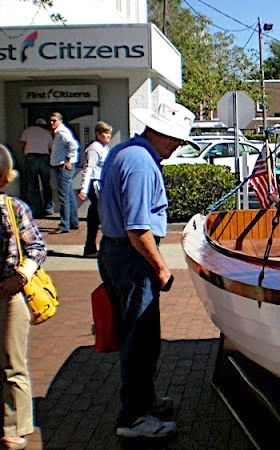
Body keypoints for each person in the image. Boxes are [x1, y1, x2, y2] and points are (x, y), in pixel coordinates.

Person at [98, 101, 194, 439]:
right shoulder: (140, 163)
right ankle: (134, 417)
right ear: (164, 134)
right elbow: (138, 228)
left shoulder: (124, 152)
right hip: (132, 257)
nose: (176, 147)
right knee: (139, 338)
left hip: (117, 253)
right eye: (176, 141)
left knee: (138, 336)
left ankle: (144, 402)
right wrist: (161, 268)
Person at [0, 144, 46, 450]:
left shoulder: (14, 208)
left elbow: (36, 248)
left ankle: (13, 427)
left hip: (8, 295)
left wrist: (19, 279)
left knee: (11, 363)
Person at [78, 121, 112, 257]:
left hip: (102, 183)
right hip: (95, 184)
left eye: (109, 133)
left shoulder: (104, 148)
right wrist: (83, 189)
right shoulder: (94, 148)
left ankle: (91, 247)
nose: (108, 136)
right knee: (99, 214)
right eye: (105, 133)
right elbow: (89, 168)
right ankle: (91, 247)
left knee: (96, 214)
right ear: (98, 134)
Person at [48, 112, 80, 234]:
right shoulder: (58, 132)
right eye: (50, 121)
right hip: (59, 165)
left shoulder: (62, 132)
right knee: (69, 194)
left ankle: (64, 224)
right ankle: (73, 221)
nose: (52, 123)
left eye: (54, 120)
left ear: (60, 121)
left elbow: (73, 145)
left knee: (63, 196)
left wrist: (68, 159)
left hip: (63, 166)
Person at [19, 118, 54, 219]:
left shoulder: (27, 130)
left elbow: (22, 144)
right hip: (44, 158)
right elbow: (51, 147)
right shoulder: (47, 132)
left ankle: (36, 209)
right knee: (46, 183)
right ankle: (48, 208)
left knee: (33, 185)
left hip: (31, 158)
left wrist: (26, 154)